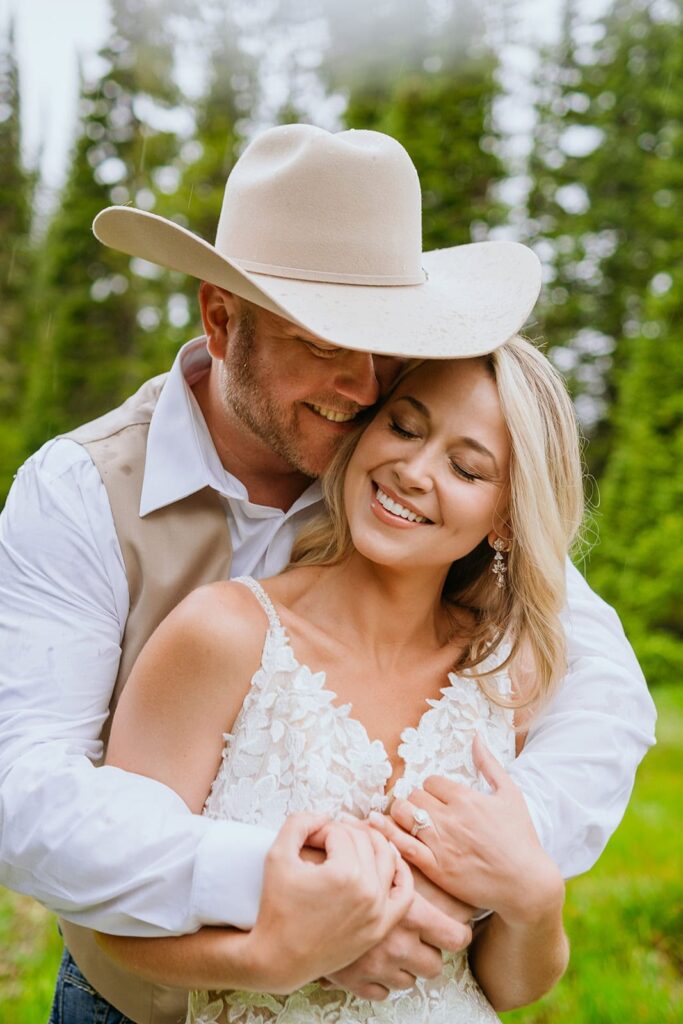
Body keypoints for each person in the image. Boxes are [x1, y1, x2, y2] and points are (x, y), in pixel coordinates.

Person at [0, 125, 654, 1024]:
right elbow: (24, 788)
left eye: (384, 342)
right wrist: (284, 903)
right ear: (221, 321)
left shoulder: (399, 478)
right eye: (320, 340)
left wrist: (455, 879)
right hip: (144, 999)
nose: (360, 383)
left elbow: (603, 691)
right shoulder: (81, 490)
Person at [97, 335, 579, 1023]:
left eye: (466, 470)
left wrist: (535, 899)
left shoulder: (503, 671)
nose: (412, 470)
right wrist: (277, 955)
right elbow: (118, 916)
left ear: (504, 519)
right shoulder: (222, 635)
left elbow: (507, 984)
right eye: (403, 426)